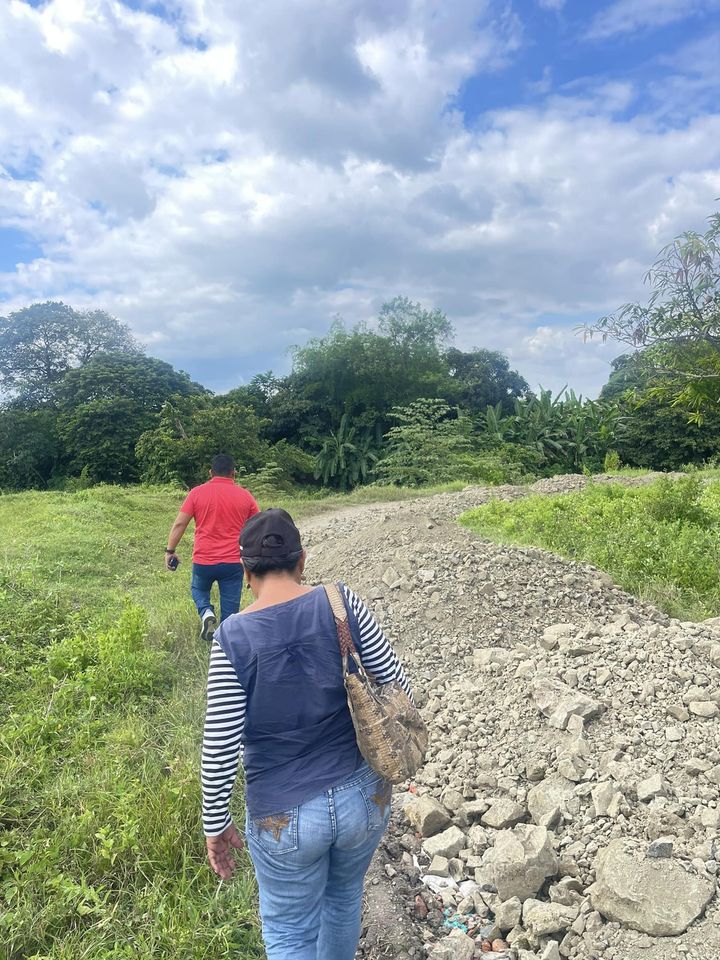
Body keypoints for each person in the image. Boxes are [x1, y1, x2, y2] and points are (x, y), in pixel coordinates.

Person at [201, 508, 414, 960]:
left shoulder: (232, 637)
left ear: (245, 571)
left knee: (289, 931)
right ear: (302, 560)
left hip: (284, 815)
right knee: (343, 899)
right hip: (364, 796)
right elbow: (398, 687)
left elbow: (220, 745)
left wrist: (215, 824)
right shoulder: (340, 603)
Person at [165, 454, 259, 641]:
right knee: (230, 609)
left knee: (199, 590)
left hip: (204, 561)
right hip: (233, 562)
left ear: (210, 472)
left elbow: (180, 524)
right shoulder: (245, 496)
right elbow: (258, 526)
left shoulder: (196, 493)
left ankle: (206, 612)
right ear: (234, 473)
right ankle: (224, 642)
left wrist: (170, 551)